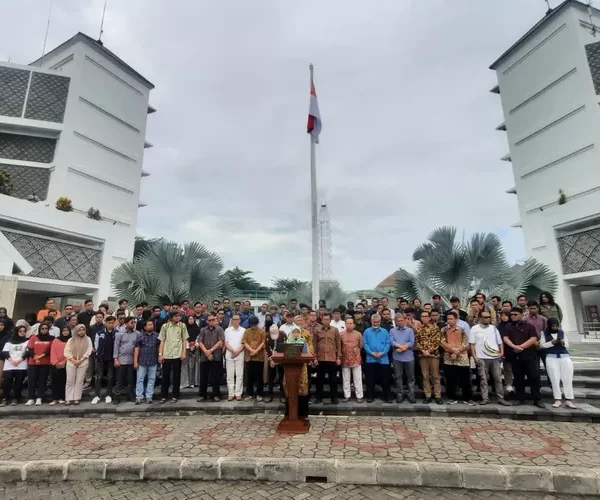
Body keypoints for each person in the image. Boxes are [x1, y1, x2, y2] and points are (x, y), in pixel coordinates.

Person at [503, 307, 544, 408]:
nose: (513, 316)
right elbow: (505, 338)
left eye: (515, 314)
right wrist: (514, 346)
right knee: (518, 378)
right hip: (515, 357)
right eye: (511, 315)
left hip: (529, 356)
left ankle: (537, 399)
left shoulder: (529, 326)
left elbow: (533, 338)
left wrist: (521, 347)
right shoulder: (508, 326)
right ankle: (520, 398)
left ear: (521, 314)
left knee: (533, 377)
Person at [469, 311, 509, 406]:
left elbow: (500, 342)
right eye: (485, 317)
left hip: (494, 357)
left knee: (498, 378)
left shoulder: (494, 328)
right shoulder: (474, 329)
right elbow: (472, 344)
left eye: (488, 317)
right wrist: (474, 356)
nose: (487, 319)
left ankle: (500, 398)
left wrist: (502, 352)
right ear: (480, 318)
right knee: (483, 379)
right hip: (481, 357)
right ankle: (485, 398)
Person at [540, 317, 576, 408]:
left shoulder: (562, 332)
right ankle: (557, 399)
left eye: (556, 326)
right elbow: (542, 345)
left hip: (564, 357)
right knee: (554, 379)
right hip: (551, 357)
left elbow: (567, 345)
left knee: (567, 378)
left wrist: (563, 342)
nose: (555, 327)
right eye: (553, 326)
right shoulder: (544, 333)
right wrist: (551, 343)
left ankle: (569, 399)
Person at [441, 312, 473, 405]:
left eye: (451, 319)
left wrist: (458, 351)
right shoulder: (443, 330)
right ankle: (452, 397)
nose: (449, 321)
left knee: (465, 379)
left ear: (456, 320)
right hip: (449, 357)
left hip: (462, 357)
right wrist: (452, 350)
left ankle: (467, 398)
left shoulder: (462, 329)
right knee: (450, 379)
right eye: (448, 319)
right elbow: (442, 342)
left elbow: (466, 342)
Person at [283, 326, 313, 418]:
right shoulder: (286, 342)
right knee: (290, 388)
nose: (295, 334)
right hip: (289, 369)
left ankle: (302, 413)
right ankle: (289, 414)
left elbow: (307, 354)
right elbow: (282, 354)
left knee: (301, 388)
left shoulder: (303, 342)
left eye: (297, 332)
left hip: (301, 368)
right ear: (291, 333)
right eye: (294, 332)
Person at [158, 311, 188, 403]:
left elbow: (184, 340)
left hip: (177, 353)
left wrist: (183, 352)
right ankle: (164, 395)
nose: (178, 318)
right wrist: (160, 354)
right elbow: (162, 340)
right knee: (165, 375)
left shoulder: (182, 326)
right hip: (167, 353)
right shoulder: (165, 326)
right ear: (171, 318)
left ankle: (175, 395)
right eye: (176, 316)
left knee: (176, 375)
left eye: (178, 316)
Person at [363, 314, 392, 403]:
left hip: (383, 359)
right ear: (371, 321)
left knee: (385, 379)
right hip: (370, 359)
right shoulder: (367, 332)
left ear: (380, 322)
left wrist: (382, 353)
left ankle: (386, 396)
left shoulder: (385, 332)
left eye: (377, 322)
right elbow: (365, 344)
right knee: (370, 379)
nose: (376, 323)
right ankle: (370, 396)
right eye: (374, 322)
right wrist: (372, 353)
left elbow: (388, 344)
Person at [416, 310, 443, 404]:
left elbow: (437, 341)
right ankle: (428, 395)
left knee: (435, 376)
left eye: (426, 316)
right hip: (423, 355)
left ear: (429, 317)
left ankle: (438, 395)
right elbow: (417, 342)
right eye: (422, 316)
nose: (424, 318)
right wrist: (423, 351)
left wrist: (429, 351)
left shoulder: (435, 328)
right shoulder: (419, 329)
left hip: (433, 355)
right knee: (425, 376)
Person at [314, 312, 341, 404]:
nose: (326, 321)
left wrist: (338, 357)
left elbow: (338, 344)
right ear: (321, 320)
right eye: (324, 319)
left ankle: (334, 397)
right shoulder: (317, 330)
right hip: (320, 358)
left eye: (327, 319)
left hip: (332, 357)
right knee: (319, 379)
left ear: (330, 320)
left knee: (333, 379)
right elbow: (314, 344)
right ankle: (318, 397)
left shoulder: (335, 330)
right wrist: (315, 357)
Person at [197, 314, 225, 402]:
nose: (212, 321)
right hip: (204, 356)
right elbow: (200, 342)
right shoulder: (203, 330)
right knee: (203, 377)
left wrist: (211, 350)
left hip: (216, 356)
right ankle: (202, 395)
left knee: (215, 377)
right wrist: (206, 352)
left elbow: (221, 341)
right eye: (210, 320)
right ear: (206, 321)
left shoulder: (219, 329)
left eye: (213, 320)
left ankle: (216, 395)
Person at [25, 322, 54, 405]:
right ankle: (31, 398)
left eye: (46, 329)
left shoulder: (51, 338)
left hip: (45, 362)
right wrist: (35, 357)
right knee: (31, 380)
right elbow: (29, 349)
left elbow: (50, 350)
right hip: (33, 362)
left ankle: (40, 397)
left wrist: (40, 356)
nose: (44, 330)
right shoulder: (34, 337)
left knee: (42, 380)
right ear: (39, 329)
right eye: (42, 329)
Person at [390, 313, 416, 404]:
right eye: (398, 321)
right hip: (397, 357)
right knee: (398, 377)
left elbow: (412, 341)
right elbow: (391, 341)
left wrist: (405, 347)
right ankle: (400, 394)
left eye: (401, 320)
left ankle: (411, 394)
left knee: (410, 377)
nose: (400, 322)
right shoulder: (392, 330)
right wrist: (399, 346)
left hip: (409, 357)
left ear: (404, 321)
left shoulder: (410, 330)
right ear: (395, 322)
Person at [64, 324, 93, 405]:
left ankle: (77, 398)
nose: (81, 332)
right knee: (70, 380)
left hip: (83, 362)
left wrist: (80, 360)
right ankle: (68, 398)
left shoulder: (88, 339)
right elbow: (67, 351)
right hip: (71, 362)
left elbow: (89, 350)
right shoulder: (71, 340)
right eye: (79, 330)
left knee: (79, 381)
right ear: (76, 331)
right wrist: (73, 360)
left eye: (83, 330)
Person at [113, 317, 138, 404]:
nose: (133, 324)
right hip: (121, 360)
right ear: (126, 323)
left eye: (134, 323)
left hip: (131, 360)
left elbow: (138, 347)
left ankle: (130, 395)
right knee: (119, 380)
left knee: (130, 379)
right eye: (131, 322)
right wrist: (116, 359)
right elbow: (116, 347)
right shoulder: (119, 334)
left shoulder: (137, 333)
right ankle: (116, 396)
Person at [1, 325, 28, 406]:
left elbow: (27, 353)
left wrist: (19, 361)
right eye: (20, 331)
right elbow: (5, 353)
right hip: (9, 365)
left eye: (24, 331)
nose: (22, 333)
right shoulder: (9, 342)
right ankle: (5, 398)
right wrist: (11, 361)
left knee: (19, 382)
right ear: (17, 332)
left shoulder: (27, 342)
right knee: (7, 382)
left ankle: (16, 398)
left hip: (21, 365)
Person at [92, 315, 117, 404]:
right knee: (98, 377)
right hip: (101, 358)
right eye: (109, 323)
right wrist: (98, 355)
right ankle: (97, 396)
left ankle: (108, 395)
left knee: (110, 377)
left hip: (111, 358)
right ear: (105, 323)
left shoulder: (117, 333)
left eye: (112, 323)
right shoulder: (100, 333)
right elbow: (96, 345)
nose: (111, 324)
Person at [135, 319, 161, 404]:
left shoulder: (157, 336)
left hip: (153, 360)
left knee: (152, 379)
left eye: (152, 324)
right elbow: (137, 349)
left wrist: (160, 356)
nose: (151, 326)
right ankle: (139, 396)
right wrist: (135, 361)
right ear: (145, 327)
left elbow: (159, 347)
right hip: (142, 361)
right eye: (149, 325)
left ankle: (149, 396)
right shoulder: (140, 336)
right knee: (140, 379)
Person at [340, 317, 364, 403]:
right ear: (345, 324)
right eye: (347, 323)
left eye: (351, 323)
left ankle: (359, 396)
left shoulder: (358, 334)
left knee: (357, 378)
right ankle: (347, 395)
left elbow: (361, 346)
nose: (349, 325)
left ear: (354, 325)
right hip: (345, 359)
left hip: (356, 359)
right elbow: (339, 346)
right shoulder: (341, 334)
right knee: (346, 378)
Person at [243, 316, 266, 402]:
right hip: (249, 357)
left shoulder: (262, 331)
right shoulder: (247, 331)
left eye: (255, 325)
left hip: (259, 357)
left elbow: (263, 342)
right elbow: (244, 342)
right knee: (250, 377)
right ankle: (250, 393)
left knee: (259, 377)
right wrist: (251, 350)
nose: (253, 327)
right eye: (252, 325)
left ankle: (259, 394)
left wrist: (256, 351)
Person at [224, 314, 246, 401]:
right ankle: (230, 393)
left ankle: (238, 393)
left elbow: (244, 343)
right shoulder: (227, 330)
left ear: (240, 320)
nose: (236, 321)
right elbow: (225, 342)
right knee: (230, 375)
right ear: (232, 320)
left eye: (237, 319)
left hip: (240, 354)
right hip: (230, 354)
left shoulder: (243, 330)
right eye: (234, 319)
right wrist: (233, 351)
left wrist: (237, 352)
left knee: (239, 375)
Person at [49, 325, 71, 405]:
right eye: (63, 330)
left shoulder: (71, 340)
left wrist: (63, 362)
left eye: (67, 330)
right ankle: (54, 398)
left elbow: (70, 353)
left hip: (66, 364)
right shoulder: (56, 340)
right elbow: (53, 351)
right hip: (54, 364)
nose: (65, 332)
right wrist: (55, 363)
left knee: (63, 381)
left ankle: (61, 397)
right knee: (55, 381)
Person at [265, 323, 285, 403]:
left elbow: (285, 346)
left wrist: (279, 358)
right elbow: (267, 348)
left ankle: (283, 395)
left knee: (281, 376)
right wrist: (271, 359)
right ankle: (270, 394)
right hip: (271, 358)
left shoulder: (283, 334)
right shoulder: (267, 335)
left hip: (281, 357)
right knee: (271, 377)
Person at [181, 314, 200, 389]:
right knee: (186, 365)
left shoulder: (197, 328)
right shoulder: (184, 329)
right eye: (189, 319)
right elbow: (183, 338)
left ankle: (194, 382)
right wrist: (188, 345)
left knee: (195, 365)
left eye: (192, 319)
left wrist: (195, 344)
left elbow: (199, 337)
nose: (191, 320)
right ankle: (186, 382)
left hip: (196, 349)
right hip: (186, 349)